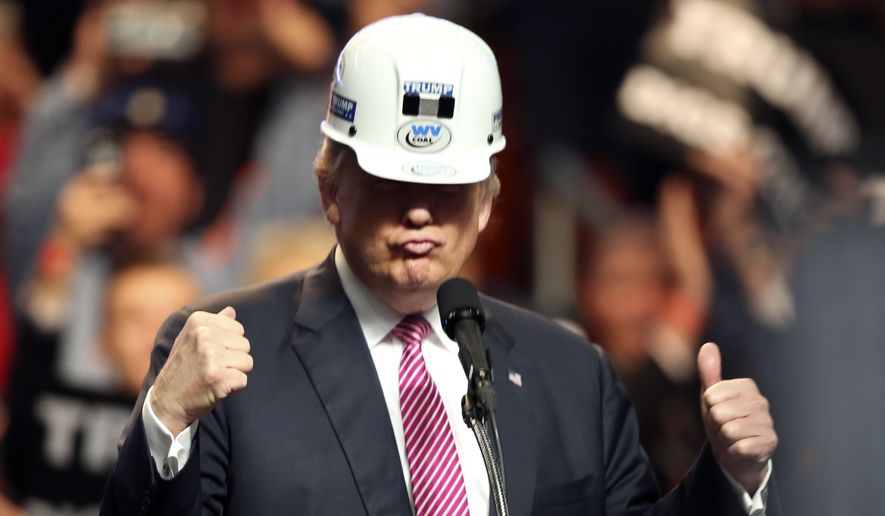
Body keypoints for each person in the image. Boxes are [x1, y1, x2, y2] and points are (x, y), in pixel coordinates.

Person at [100, 14, 779, 516]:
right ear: (331, 191)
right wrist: (164, 424)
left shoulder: (572, 372)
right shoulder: (222, 354)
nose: (420, 213)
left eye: (447, 188)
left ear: (486, 204)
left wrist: (726, 480)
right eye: (393, 183)